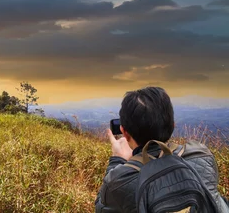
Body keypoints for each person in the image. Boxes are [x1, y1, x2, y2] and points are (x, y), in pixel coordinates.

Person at [95, 87, 228, 212]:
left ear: (124, 132)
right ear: (173, 126)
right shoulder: (201, 156)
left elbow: (101, 207)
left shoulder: (119, 180)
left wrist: (118, 159)